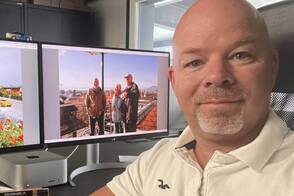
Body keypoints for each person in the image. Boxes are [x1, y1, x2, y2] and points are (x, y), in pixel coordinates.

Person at [91, 0, 294, 195]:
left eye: (240, 55)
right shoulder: (157, 158)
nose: (216, 76)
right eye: (195, 62)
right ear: (174, 80)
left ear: (272, 67)